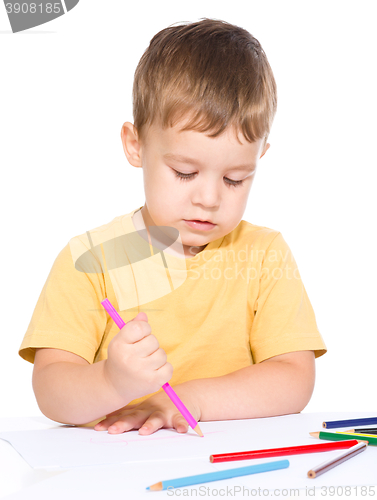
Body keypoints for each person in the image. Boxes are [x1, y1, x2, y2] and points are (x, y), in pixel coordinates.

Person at [19, 18, 327, 436]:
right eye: (184, 172)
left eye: (235, 179)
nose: (209, 198)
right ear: (136, 145)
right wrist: (112, 381)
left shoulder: (265, 254)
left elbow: (295, 377)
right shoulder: (89, 260)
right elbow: (51, 390)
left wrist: (189, 401)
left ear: (261, 157)